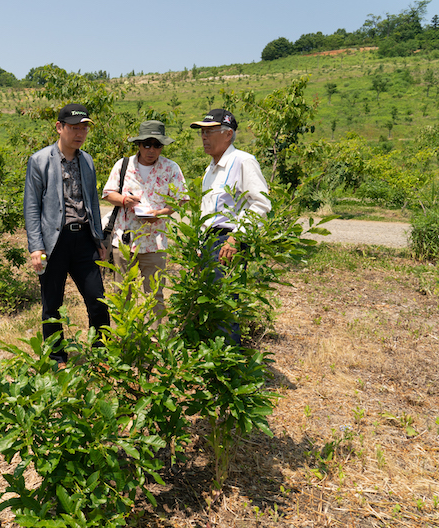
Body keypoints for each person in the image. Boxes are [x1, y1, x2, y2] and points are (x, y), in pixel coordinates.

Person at [24, 103, 110, 363]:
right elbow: (31, 206)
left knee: (97, 299)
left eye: (84, 128)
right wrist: (36, 247)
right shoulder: (39, 160)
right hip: (55, 242)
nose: (80, 133)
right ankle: (57, 358)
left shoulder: (87, 160)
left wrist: (98, 238)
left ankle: (101, 353)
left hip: (83, 238)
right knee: (52, 304)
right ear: (59, 128)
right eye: (74, 128)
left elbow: (92, 201)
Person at [189, 108, 272, 343]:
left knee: (226, 306)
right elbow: (207, 211)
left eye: (210, 131)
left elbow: (261, 204)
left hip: (227, 242)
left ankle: (226, 369)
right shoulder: (210, 169)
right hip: (209, 242)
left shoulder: (243, 161)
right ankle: (210, 365)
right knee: (209, 304)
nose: (204, 137)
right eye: (202, 132)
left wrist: (237, 237)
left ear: (228, 134)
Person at [102, 120, 187, 317]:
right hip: (124, 241)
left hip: (154, 241)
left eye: (157, 145)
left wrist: (160, 213)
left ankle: (155, 339)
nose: (151, 150)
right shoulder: (123, 165)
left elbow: (180, 199)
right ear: (139, 145)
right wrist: (124, 200)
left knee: (154, 293)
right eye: (147, 144)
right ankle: (123, 341)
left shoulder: (171, 168)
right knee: (123, 292)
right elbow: (108, 193)